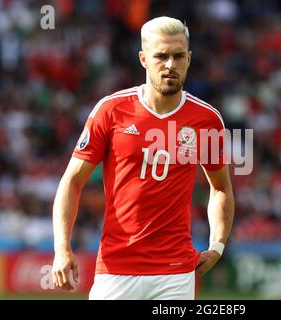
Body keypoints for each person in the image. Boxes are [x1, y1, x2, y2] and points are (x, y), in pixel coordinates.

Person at [52, 16, 235, 300]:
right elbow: (72, 183)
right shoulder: (111, 111)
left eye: (178, 56)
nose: (170, 65)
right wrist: (62, 248)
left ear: (189, 58)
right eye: (161, 56)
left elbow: (221, 187)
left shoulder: (206, 120)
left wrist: (218, 244)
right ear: (143, 59)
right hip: (115, 269)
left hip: (175, 274)